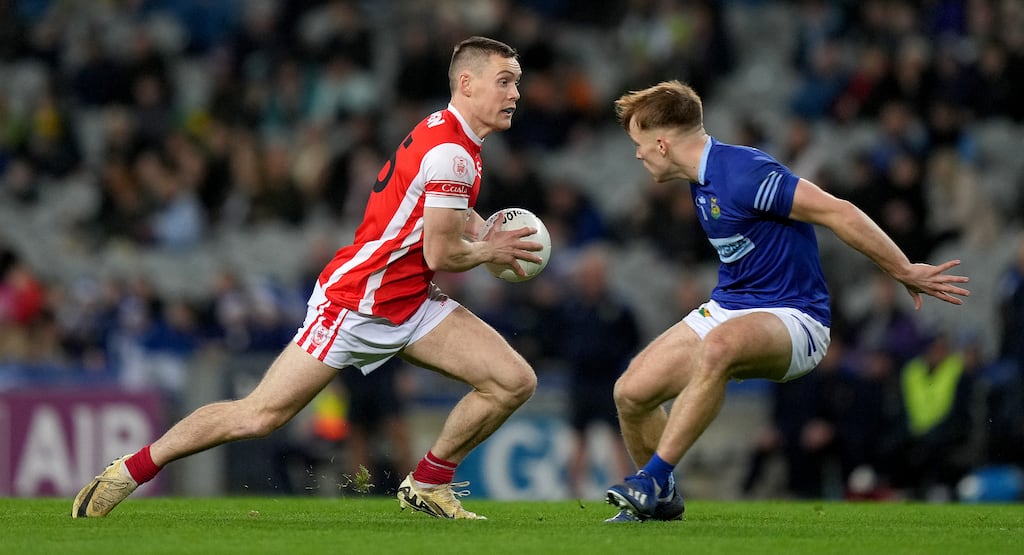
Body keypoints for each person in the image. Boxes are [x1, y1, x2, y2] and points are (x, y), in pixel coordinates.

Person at [72, 36, 542, 521]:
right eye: (505, 82)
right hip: (355, 302)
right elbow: (440, 251)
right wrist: (492, 248)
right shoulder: (453, 152)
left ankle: (428, 483)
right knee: (259, 415)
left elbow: (436, 210)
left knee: (512, 381)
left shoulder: (450, 134)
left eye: (517, 83)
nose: (515, 94)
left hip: (409, 301)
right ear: (467, 82)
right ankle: (131, 469)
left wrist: (481, 228)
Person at [602, 80, 970, 522]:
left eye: (640, 144)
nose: (638, 154)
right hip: (732, 307)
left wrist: (902, 269)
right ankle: (661, 505)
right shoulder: (701, 180)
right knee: (631, 392)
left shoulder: (744, 173)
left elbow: (839, 211)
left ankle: (655, 477)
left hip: (796, 318)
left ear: (662, 143)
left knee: (720, 346)